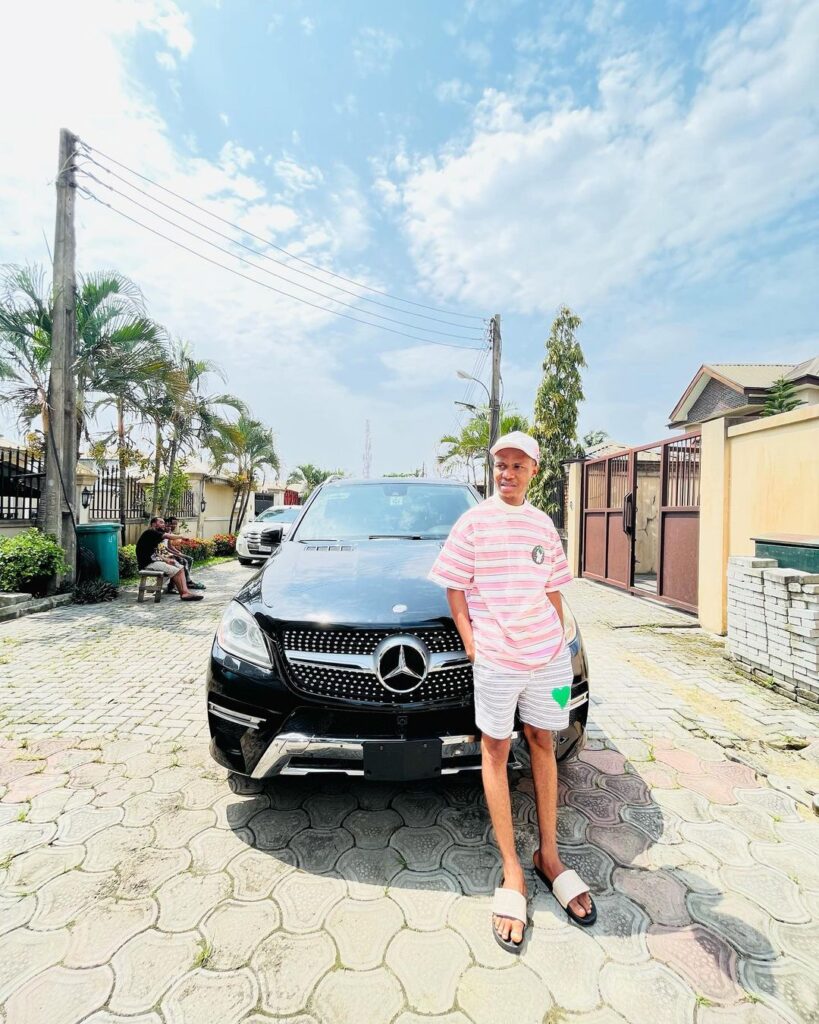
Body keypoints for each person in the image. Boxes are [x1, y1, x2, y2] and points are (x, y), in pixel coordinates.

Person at [429, 431, 596, 954]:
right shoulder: (473, 522)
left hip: (547, 658)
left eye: (517, 465)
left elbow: (553, 590)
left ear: (533, 471)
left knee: (544, 742)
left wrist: (559, 642)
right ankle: (512, 870)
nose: (507, 473)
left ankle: (549, 856)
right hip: (497, 659)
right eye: (500, 464)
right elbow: (454, 585)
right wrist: (473, 644)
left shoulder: (543, 524)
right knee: (496, 749)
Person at [135, 517, 203, 602]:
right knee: (176, 571)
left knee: (180, 567)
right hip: (147, 564)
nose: (163, 524)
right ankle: (184, 594)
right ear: (154, 524)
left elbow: (155, 552)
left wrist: (165, 560)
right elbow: (167, 536)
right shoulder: (150, 532)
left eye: (164, 523)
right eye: (161, 522)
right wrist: (181, 536)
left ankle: (186, 592)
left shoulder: (155, 536)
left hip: (154, 562)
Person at [163, 517, 205, 591]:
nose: (173, 526)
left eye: (175, 524)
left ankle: (185, 581)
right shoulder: (163, 534)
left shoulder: (169, 532)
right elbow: (165, 548)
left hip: (168, 553)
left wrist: (179, 553)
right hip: (165, 555)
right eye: (172, 524)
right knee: (183, 561)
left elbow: (170, 546)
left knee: (189, 559)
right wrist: (177, 554)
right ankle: (184, 582)